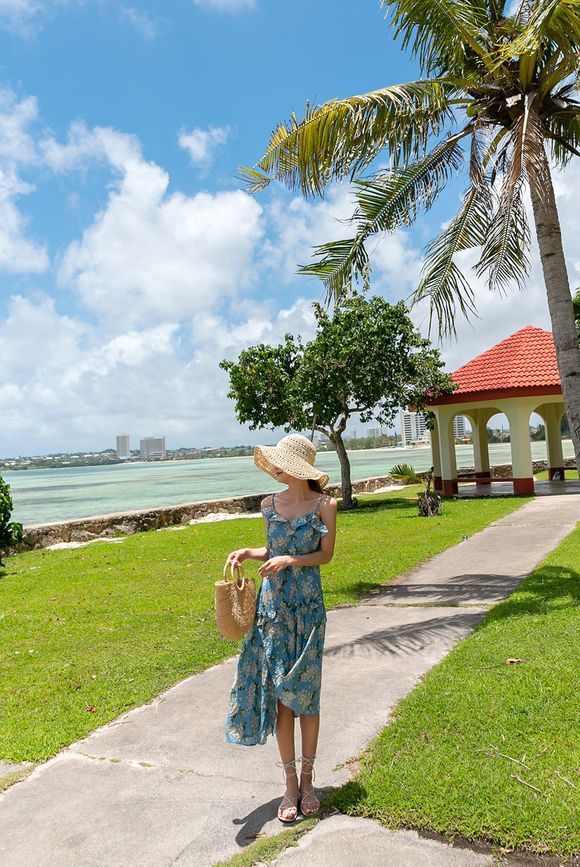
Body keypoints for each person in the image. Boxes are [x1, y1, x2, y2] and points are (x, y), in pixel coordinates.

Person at [224, 433, 337, 823]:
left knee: (307, 694)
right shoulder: (268, 505)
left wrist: (290, 560)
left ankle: (309, 778)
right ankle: (290, 784)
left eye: (281, 462)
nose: (275, 468)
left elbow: (326, 554)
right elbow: (271, 550)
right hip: (273, 610)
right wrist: (249, 552)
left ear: (297, 468)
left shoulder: (326, 505)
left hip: (307, 609)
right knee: (282, 699)